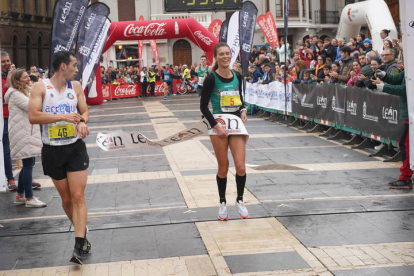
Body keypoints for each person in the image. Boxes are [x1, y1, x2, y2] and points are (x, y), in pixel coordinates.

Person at [28, 51, 91, 264]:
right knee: (66, 200)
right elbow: (33, 116)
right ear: (63, 66)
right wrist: (63, 116)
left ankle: (79, 244)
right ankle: (82, 230)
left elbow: (84, 111)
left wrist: (82, 122)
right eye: (74, 65)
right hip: (52, 150)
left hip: (75, 148)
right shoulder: (40, 87)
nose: (77, 68)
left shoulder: (76, 87)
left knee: (78, 196)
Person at [200, 42, 249, 220]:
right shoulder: (211, 78)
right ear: (216, 57)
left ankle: (240, 200)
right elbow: (203, 107)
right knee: (223, 167)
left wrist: (243, 109)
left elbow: (240, 99)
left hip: (236, 125)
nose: (225, 57)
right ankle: (222, 203)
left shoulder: (237, 75)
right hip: (219, 126)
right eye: (221, 54)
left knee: (241, 167)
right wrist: (216, 126)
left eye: (227, 53)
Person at [4, 69, 45, 207]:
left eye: (28, 77)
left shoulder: (22, 92)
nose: (28, 79)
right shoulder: (16, 94)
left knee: (27, 165)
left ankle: (20, 195)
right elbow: (32, 106)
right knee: (28, 166)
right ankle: (29, 197)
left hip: (26, 132)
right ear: (17, 81)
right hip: (23, 134)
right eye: (25, 77)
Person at [373, 68, 412, 189]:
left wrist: (383, 87)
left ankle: (406, 178)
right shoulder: (410, 66)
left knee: (406, 146)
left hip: (411, 115)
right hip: (409, 114)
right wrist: (384, 76)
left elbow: (405, 89)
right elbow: (397, 79)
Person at [1, 51, 16, 190]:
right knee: (6, 149)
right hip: (3, 118)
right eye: (3, 61)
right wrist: (9, 83)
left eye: (7, 60)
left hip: (15, 117)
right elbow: (3, 97)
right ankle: (10, 178)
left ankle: (27, 176)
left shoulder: (11, 76)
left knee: (18, 147)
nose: (6, 63)